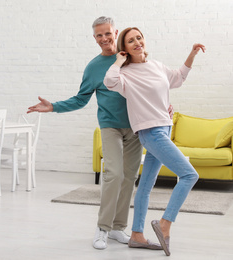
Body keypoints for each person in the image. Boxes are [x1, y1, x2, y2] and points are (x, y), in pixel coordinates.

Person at [27, 16, 145, 250]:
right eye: (99, 35)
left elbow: (152, 83)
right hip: (110, 125)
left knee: (130, 176)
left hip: (136, 126)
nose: (104, 38)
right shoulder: (94, 67)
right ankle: (103, 227)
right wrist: (54, 106)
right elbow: (81, 99)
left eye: (108, 33)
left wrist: (164, 105)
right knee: (113, 174)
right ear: (94, 38)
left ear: (116, 32)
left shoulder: (131, 57)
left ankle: (118, 227)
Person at [103, 27, 204, 256]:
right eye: (130, 41)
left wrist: (192, 54)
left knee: (146, 185)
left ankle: (137, 234)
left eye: (139, 37)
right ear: (124, 48)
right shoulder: (125, 74)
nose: (137, 42)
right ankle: (165, 223)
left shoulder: (156, 65)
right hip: (151, 133)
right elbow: (109, 81)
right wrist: (119, 61)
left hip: (164, 128)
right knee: (190, 175)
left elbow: (178, 78)